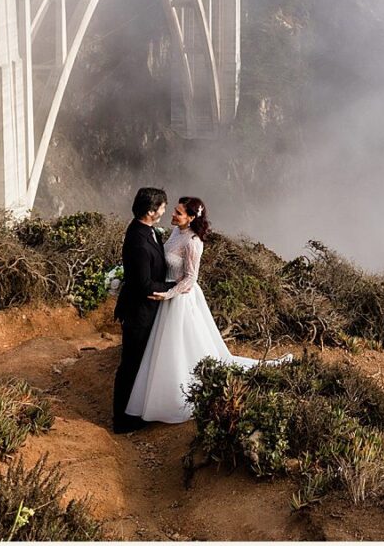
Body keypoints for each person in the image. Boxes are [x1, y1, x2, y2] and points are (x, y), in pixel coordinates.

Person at [125, 195, 289, 424]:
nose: (173, 214)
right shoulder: (175, 232)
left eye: (178, 212)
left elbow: (191, 278)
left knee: (179, 347)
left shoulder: (193, 242)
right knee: (163, 347)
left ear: (191, 218)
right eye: (173, 210)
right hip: (166, 294)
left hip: (180, 297)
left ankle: (175, 395)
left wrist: (168, 293)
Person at [112, 186, 171, 434]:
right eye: (162, 207)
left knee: (139, 363)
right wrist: (176, 286)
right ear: (150, 211)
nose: (164, 210)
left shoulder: (145, 231)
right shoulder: (139, 241)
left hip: (145, 311)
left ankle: (135, 412)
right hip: (138, 313)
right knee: (131, 365)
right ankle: (122, 421)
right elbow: (144, 285)